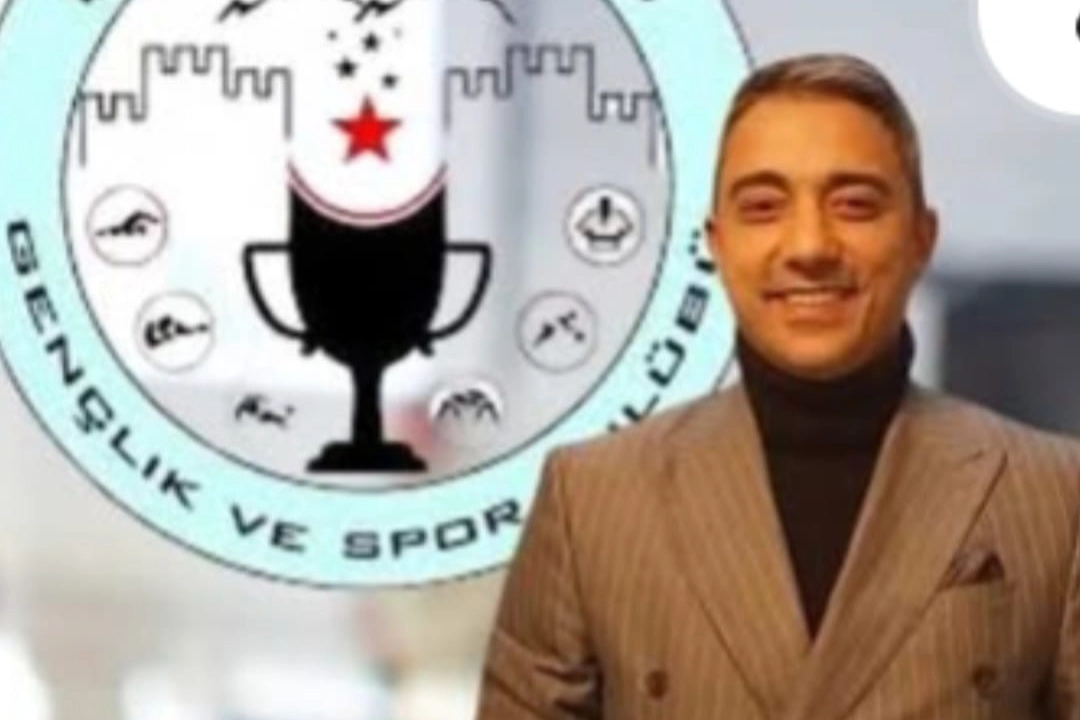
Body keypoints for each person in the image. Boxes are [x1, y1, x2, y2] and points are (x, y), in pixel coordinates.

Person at [474, 53, 1080, 720]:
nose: (810, 246)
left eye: (854, 205)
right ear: (717, 243)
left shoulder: (1056, 497)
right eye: (763, 207)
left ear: (920, 238)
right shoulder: (591, 501)